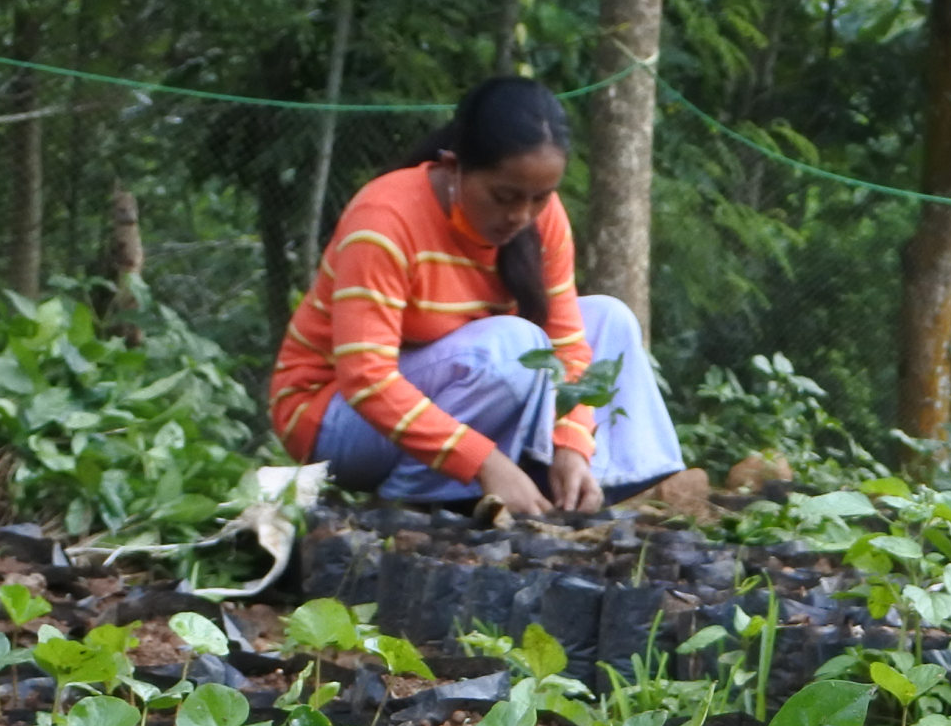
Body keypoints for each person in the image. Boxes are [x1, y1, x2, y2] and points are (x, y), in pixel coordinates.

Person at [267, 76, 686, 516]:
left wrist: (573, 443)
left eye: (539, 198)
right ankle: (409, 502)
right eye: (504, 196)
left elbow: (568, 345)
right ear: (454, 167)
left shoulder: (545, 222)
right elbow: (365, 378)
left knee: (611, 320)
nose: (521, 216)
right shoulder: (385, 219)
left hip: (449, 397)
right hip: (332, 422)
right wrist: (484, 462)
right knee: (515, 348)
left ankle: (580, 489)